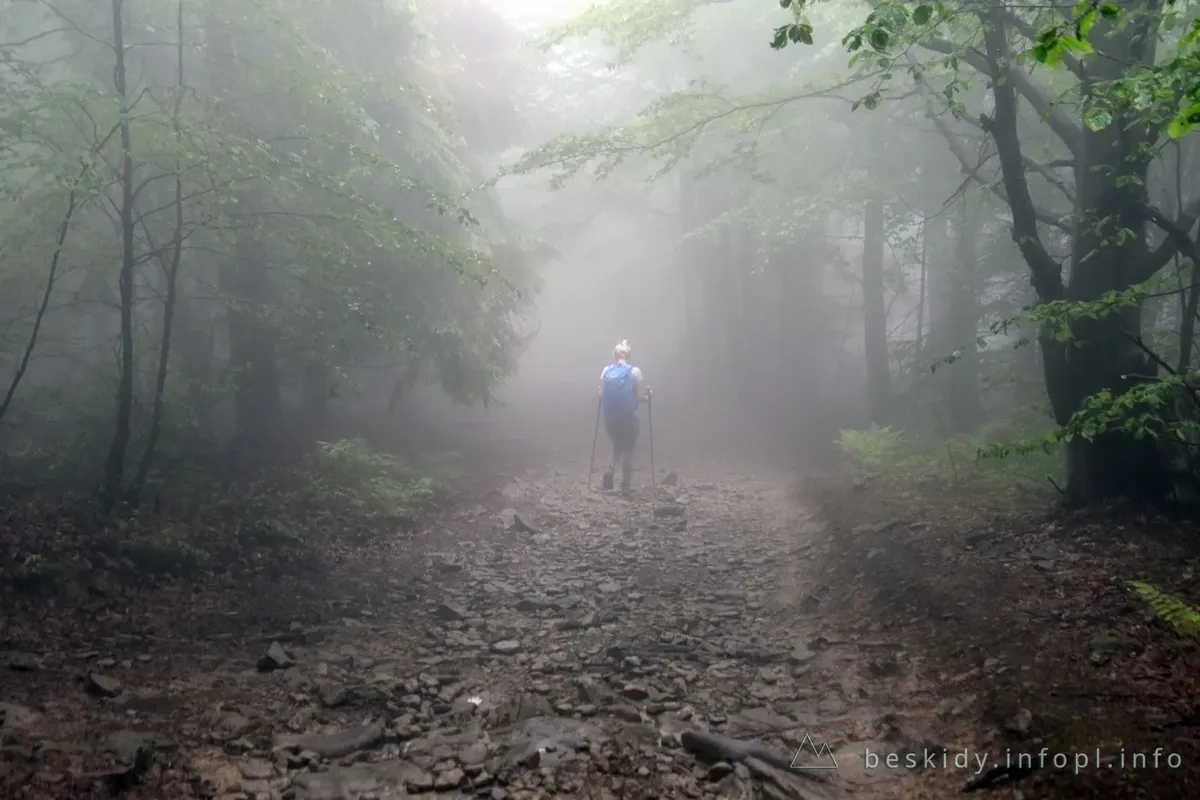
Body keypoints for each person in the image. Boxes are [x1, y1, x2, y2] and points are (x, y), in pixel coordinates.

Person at [597, 340, 651, 492]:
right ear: (629, 355)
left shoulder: (606, 370)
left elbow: (600, 394)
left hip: (610, 419)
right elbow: (640, 397)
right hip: (629, 419)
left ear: (614, 355)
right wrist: (649, 396)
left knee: (617, 445)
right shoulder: (635, 372)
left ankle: (609, 470)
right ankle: (625, 484)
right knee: (628, 449)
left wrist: (599, 391)